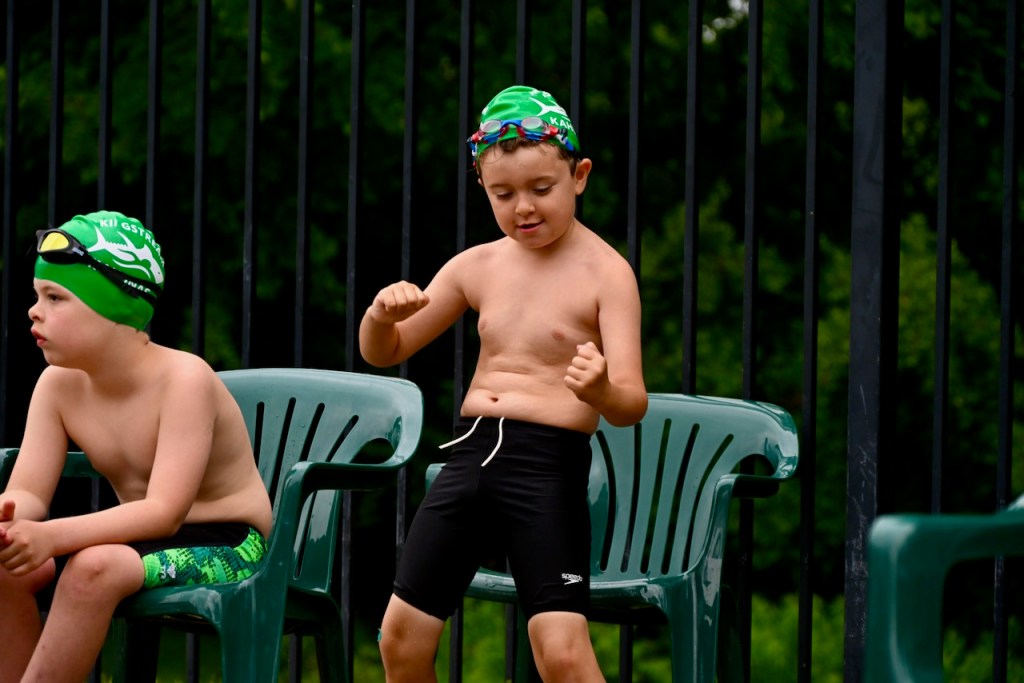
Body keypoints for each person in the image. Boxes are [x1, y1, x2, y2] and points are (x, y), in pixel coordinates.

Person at [361, 85, 648, 683]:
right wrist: (379, 317)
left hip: (547, 466)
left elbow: (630, 402)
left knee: (560, 653)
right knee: (400, 639)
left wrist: (600, 390)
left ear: (579, 176)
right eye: (504, 194)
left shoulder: (607, 273)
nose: (524, 208)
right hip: (469, 457)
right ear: (483, 188)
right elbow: (386, 351)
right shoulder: (478, 265)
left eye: (541, 189)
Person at [0, 211, 273, 683]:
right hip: (137, 541)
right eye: (37, 295)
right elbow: (28, 493)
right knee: (7, 566)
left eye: (55, 297)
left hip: (231, 542)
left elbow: (164, 513)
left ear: (114, 307)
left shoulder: (184, 380)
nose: (34, 310)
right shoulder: (57, 385)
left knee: (93, 568)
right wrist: (8, 522)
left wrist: (50, 537)